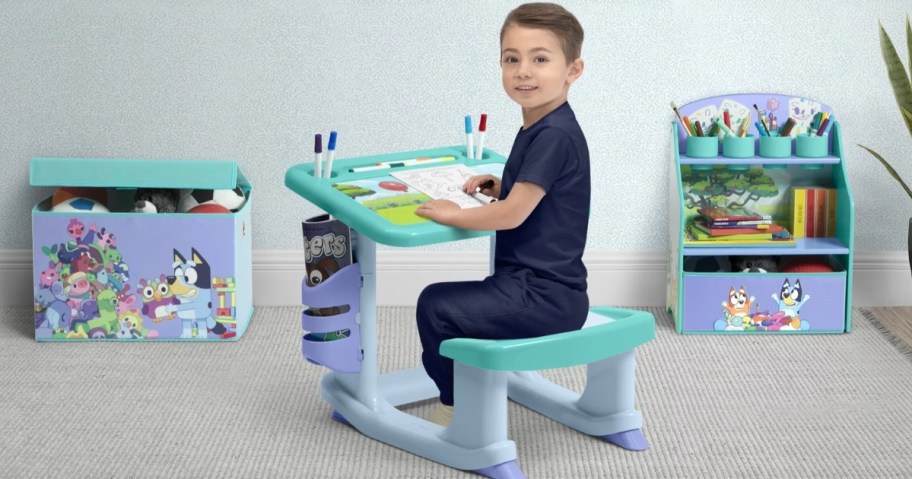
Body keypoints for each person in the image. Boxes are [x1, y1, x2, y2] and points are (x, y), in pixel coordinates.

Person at [414, 2, 590, 426]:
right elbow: (535, 194)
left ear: (573, 70)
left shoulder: (553, 134)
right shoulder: (543, 124)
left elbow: (511, 216)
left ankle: (458, 409)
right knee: (450, 303)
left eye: (540, 59)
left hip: (545, 295)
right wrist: (501, 184)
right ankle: (468, 385)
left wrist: (455, 214)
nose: (523, 71)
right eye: (512, 59)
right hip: (535, 286)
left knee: (434, 305)